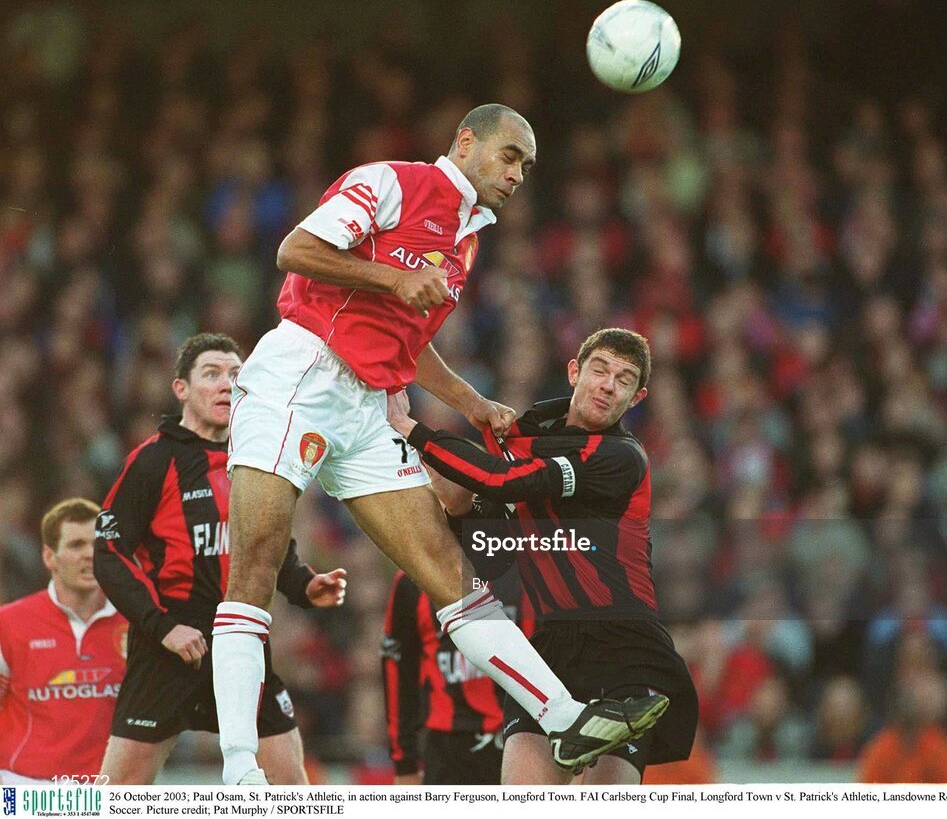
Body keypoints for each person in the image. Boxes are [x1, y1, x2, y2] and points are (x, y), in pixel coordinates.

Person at [216, 103, 667, 785]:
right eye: (509, 155)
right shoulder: (393, 183)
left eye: (526, 165)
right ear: (465, 142)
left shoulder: (468, 237)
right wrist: (396, 278)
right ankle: (239, 770)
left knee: (454, 578)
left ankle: (565, 718)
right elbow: (296, 251)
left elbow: (410, 341)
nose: (518, 174)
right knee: (253, 565)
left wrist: (472, 402)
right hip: (301, 371)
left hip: (369, 403)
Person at [387, 328, 699, 784]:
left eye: (625, 379)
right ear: (574, 372)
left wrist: (412, 429)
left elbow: (503, 482)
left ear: (637, 398)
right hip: (548, 649)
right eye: (600, 369)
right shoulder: (523, 436)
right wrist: (457, 505)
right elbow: (484, 530)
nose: (609, 384)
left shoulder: (621, 456)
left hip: (624, 654)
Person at [93, 333, 347, 785]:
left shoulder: (255, 457)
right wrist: (162, 627)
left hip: (242, 635)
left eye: (236, 375)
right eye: (211, 374)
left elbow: (264, 544)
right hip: (171, 643)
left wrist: (303, 584)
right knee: (118, 796)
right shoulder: (154, 461)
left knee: (292, 789)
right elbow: (109, 553)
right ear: (181, 390)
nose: (227, 384)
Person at [0, 499, 128, 784]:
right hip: (24, 786)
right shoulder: (8, 624)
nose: (89, 555)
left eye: (97, 545)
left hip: (107, 790)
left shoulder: (135, 625)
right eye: (76, 545)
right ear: (49, 557)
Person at [382, 568, 534, 785]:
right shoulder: (413, 576)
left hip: (525, 739)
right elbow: (398, 671)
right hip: (448, 754)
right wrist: (404, 766)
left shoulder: (532, 565)